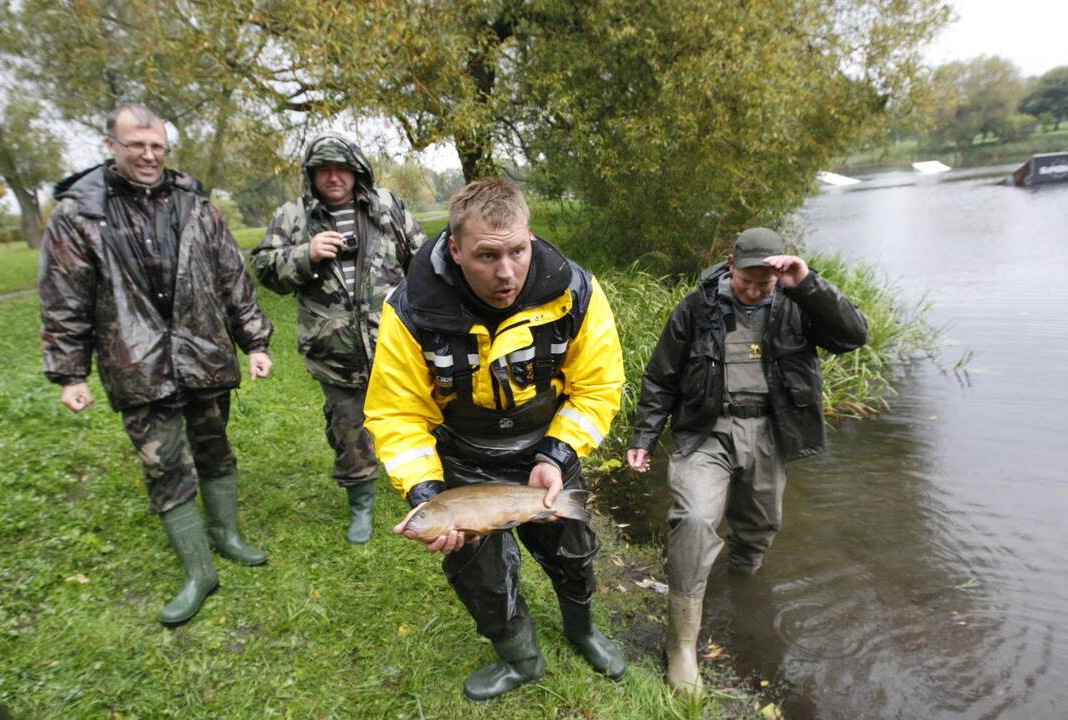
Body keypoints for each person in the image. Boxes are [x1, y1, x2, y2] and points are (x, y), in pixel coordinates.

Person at [364, 178, 627, 701]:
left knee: (574, 554)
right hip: (462, 456)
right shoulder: (409, 308)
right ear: (455, 249)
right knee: (481, 577)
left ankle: (583, 631)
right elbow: (398, 414)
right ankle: (522, 660)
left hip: (547, 449)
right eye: (486, 255)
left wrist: (558, 454)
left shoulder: (575, 291)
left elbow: (598, 387)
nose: (506, 272)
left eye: (517, 251)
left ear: (529, 237)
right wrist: (426, 496)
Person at [38, 103, 274, 626]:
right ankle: (199, 571)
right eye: (136, 146)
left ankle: (228, 536)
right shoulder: (80, 214)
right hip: (135, 363)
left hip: (203, 354)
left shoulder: (196, 205)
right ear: (112, 147)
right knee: (164, 465)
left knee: (214, 447)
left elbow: (232, 277)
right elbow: (64, 298)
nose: (148, 156)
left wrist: (255, 340)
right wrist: (70, 372)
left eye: (157, 147)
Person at [625, 227, 868, 694]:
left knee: (759, 526)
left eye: (765, 284)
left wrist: (808, 282)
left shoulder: (798, 303)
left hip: (769, 434)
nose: (755, 292)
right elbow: (661, 377)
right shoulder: (696, 309)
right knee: (695, 519)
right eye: (747, 282)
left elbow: (854, 336)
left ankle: (743, 588)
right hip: (706, 431)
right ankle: (682, 646)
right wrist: (645, 435)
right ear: (730, 266)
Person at [251, 133, 426, 543]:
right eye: (323, 169)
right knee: (350, 429)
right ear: (311, 175)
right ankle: (361, 505)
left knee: (417, 418)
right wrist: (305, 254)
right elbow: (262, 267)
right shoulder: (294, 216)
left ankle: (425, 489)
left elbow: (422, 260)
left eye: (341, 168)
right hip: (334, 350)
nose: (333, 177)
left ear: (356, 171)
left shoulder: (387, 206)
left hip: (395, 345)